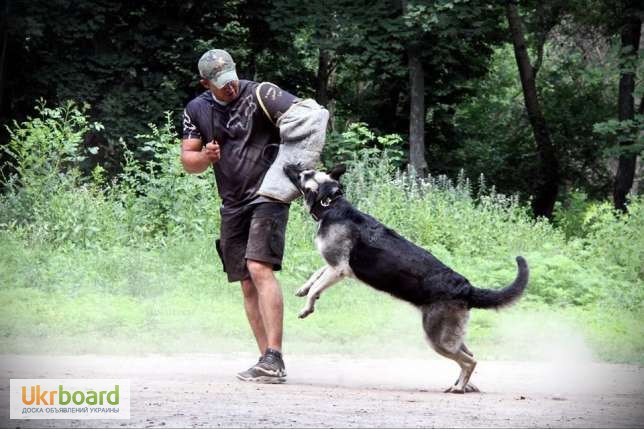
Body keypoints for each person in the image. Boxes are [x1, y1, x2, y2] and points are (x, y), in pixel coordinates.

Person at [180, 49, 323, 384]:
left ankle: (274, 356)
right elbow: (188, 162)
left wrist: (301, 163)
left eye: (231, 79)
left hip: (268, 195)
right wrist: (205, 156)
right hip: (231, 202)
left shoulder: (262, 93)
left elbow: (307, 115)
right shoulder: (196, 109)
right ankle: (266, 361)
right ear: (205, 83)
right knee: (246, 282)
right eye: (220, 84)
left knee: (260, 267)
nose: (229, 88)